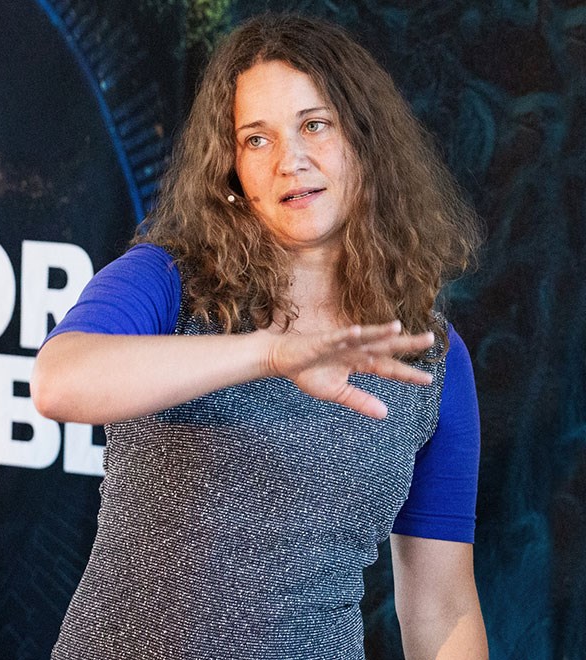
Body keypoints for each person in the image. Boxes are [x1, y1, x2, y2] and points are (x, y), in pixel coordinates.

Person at [32, 12, 488, 660]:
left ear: (365, 140)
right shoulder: (167, 280)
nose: (290, 162)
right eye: (256, 139)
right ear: (232, 172)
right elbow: (60, 382)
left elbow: (443, 607)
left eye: (314, 125)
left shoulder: (429, 359)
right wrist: (271, 353)